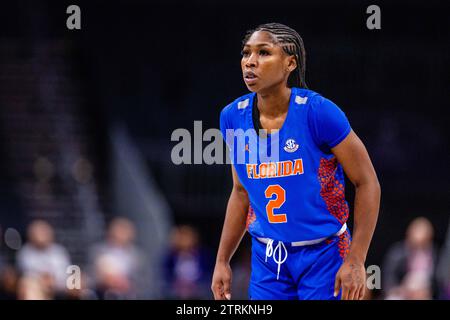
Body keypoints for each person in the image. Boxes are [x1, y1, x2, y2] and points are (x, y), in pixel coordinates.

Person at [211, 23, 381, 300]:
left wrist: (356, 258)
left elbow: (367, 182)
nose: (250, 61)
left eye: (264, 52)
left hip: (324, 254)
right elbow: (241, 193)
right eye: (246, 53)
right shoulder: (231, 117)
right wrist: (222, 260)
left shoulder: (318, 112)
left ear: (290, 62)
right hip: (268, 259)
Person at [383, 217, 438, 300]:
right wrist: (403, 291)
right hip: (401, 293)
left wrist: (426, 291)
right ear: (409, 235)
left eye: (423, 243)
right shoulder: (397, 253)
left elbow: (436, 282)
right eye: (416, 244)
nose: (419, 247)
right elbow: (388, 279)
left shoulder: (433, 253)